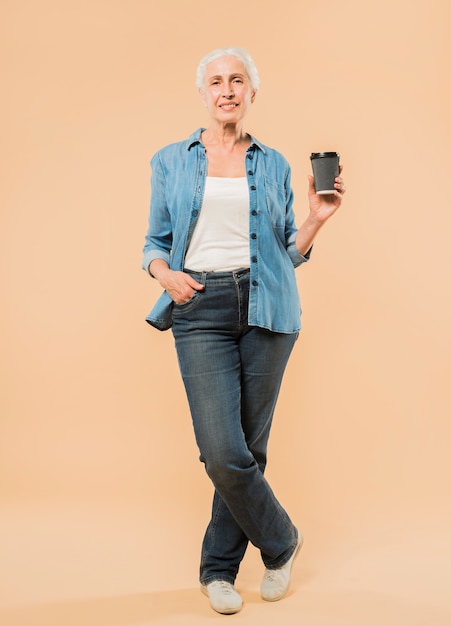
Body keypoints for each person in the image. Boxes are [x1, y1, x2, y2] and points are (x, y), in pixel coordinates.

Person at [142, 46, 345, 615]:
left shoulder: (275, 163)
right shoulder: (169, 160)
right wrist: (166, 275)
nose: (226, 90)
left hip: (268, 308)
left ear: (252, 93)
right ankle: (281, 541)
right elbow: (154, 245)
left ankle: (218, 571)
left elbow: (286, 252)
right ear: (204, 94)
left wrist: (315, 219)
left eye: (237, 81)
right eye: (216, 82)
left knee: (250, 449)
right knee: (222, 450)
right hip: (198, 306)